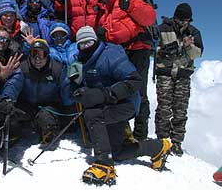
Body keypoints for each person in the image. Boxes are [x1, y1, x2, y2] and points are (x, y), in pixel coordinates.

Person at [70, 26, 171, 186]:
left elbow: (134, 80)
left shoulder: (111, 54)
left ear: (96, 40)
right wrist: (78, 91)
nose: (86, 46)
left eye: (89, 41)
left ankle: (104, 165)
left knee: (92, 115)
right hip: (107, 106)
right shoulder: (79, 60)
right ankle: (157, 147)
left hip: (127, 103)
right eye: (82, 44)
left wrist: (104, 94)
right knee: (116, 152)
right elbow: (73, 84)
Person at [95, 0, 157, 141]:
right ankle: (124, 132)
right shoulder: (102, 10)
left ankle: (140, 135)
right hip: (120, 54)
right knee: (121, 91)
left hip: (138, 51)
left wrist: (130, 6)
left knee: (139, 91)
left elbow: (150, 18)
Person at [0, 39, 74, 144]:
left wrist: (70, 108)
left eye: (41, 54)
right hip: (27, 105)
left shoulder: (57, 69)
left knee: (46, 118)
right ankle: (14, 134)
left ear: (47, 55)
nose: (37, 59)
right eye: (34, 54)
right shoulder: (23, 68)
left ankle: (47, 133)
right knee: (11, 114)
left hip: (49, 106)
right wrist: (7, 98)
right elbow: (13, 84)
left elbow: (66, 86)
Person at [155, 3, 203, 156]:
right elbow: (151, 48)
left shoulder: (194, 32)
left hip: (183, 74)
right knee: (163, 108)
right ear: (175, 17)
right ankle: (162, 141)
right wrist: (166, 50)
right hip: (165, 72)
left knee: (180, 110)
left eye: (186, 20)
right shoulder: (162, 29)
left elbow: (198, 54)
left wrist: (188, 47)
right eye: (180, 20)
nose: (183, 23)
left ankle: (176, 142)